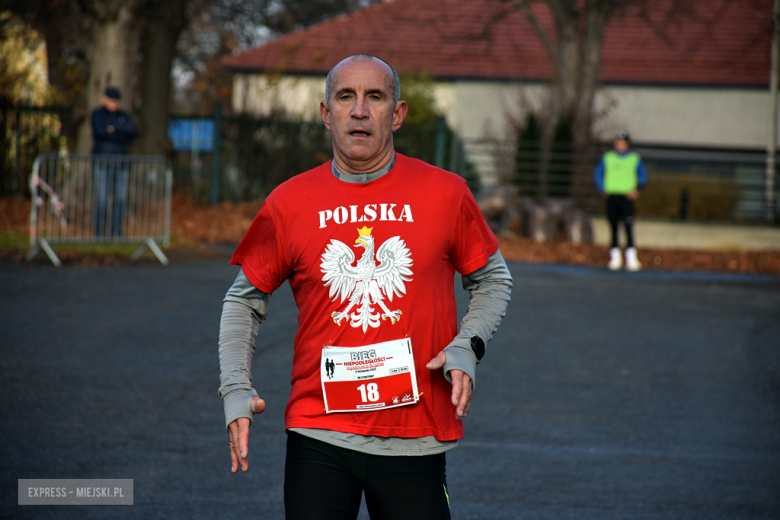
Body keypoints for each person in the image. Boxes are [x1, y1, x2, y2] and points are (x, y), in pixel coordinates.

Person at [218, 54, 513, 520]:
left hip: (415, 436)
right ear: (325, 113)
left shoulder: (446, 193)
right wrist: (235, 388)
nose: (359, 110)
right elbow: (243, 299)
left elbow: (493, 278)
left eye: (374, 97)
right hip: (320, 431)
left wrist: (467, 346)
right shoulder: (288, 202)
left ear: (396, 114)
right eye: (345, 97)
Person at [593, 130, 647, 271]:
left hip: (626, 197)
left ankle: (631, 258)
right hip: (612, 196)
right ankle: (615, 257)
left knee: (628, 227)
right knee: (613, 227)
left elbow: (642, 175)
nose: (620, 145)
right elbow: (598, 173)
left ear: (627, 144)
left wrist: (638, 190)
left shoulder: (634, 158)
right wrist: (602, 188)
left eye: (623, 143)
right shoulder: (608, 157)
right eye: (618, 142)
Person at [91, 86, 137, 237]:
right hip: (102, 161)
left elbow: (132, 131)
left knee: (120, 199)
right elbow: (100, 131)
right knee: (102, 198)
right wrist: (120, 132)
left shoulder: (123, 116)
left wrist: (113, 129)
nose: (114, 104)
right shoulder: (97, 115)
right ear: (104, 99)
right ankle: (99, 234)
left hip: (121, 162)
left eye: (116, 101)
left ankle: (116, 233)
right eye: (111, 101)